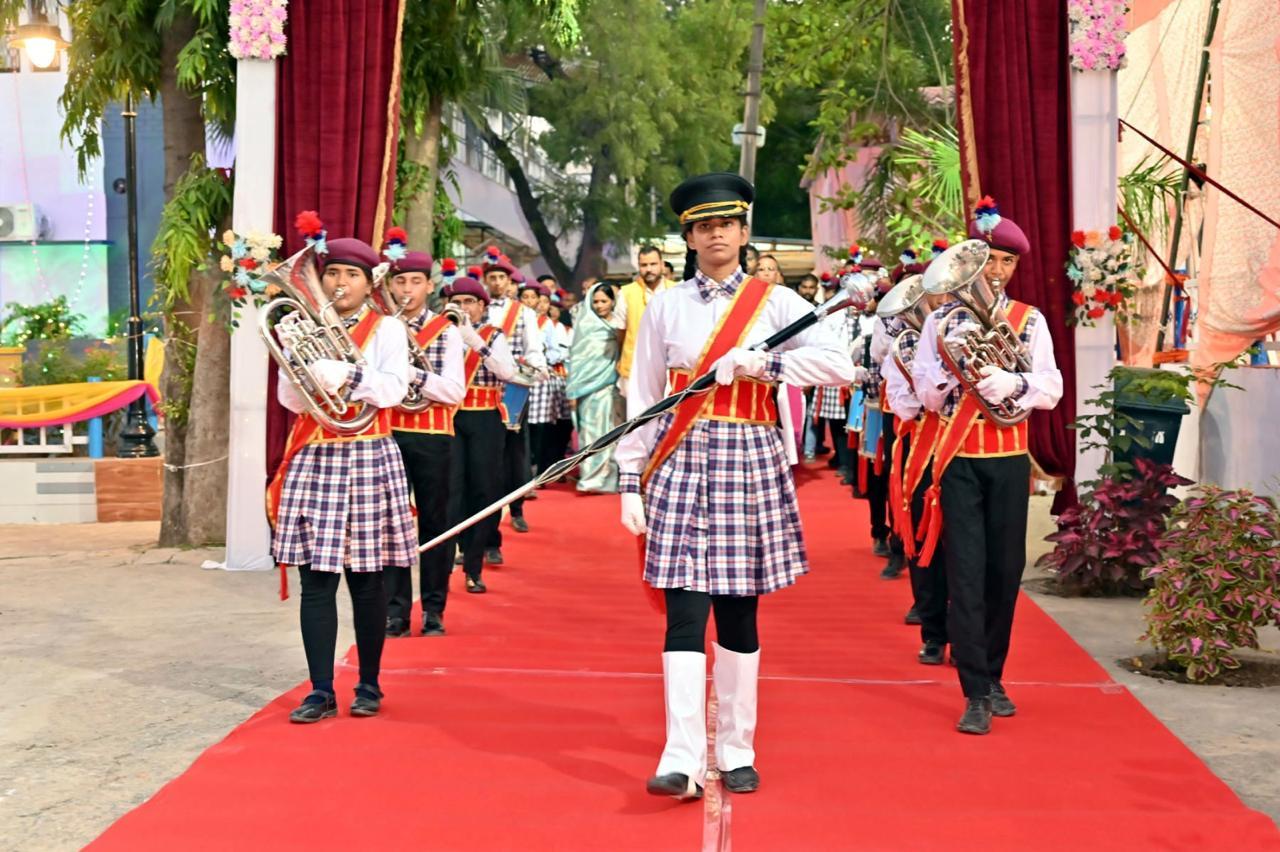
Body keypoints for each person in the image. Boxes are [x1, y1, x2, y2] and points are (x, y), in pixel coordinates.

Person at [616, 173, 855, 800]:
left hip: (749, 458)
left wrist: (765, 362)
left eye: (726, 223)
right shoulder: (665, 306)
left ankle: (737, 747)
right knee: (683, 610)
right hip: (679, 460)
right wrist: (628, 479)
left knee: (738, 611)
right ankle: (681, 757)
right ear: (689, 238)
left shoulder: (778, 303)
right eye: (703, 226)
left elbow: (841, 365)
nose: (716, 234)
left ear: (744, 232)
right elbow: (643, 396)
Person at [911, 198, 1062, 735]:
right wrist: (954, 373)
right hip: (957, 460)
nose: (996, 271)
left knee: (1005, 571)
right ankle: (975, 690)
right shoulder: (939, 322)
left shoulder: (1029, 320)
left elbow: (1051, 387)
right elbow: (925, 393)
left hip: (1008, 460)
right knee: (966, 572)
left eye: (1006, 262)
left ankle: (994, 674)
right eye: (988, 260)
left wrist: (1012, 382)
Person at [267, 223, 415, 723]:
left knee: (367, 580)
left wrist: (346, 374)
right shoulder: (300, 327)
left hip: (369, 454)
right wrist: (302, 374)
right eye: (332, 274)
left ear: (369, 283)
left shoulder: (387, 329)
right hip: (316, 454)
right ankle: (320, 689)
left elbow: (394, 389)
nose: (339, 284)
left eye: (351, 275)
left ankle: (369, 682)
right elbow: (290, 401)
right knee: (316, 580)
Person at [378, 242, 466, 639]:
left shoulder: (446, 331)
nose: (407, 290)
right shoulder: (382, 329)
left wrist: (410, 374)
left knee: (436, 523)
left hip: (433, 436)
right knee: (392, 524)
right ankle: (395, 611)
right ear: (390, 286)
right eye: (400, 282)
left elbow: (453, 390)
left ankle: (433, 608)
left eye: (415, 282)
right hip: (389, 433)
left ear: (429, 286)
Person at [445, 274, 518, 594]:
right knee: (452, 490)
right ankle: (452, 554)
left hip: (485, 419)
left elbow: (508, 372)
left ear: (481, 306)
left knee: (484, 490)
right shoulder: (441, 334)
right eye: (456, 303)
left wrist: (475, 341)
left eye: (469, 302)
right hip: (450, 418)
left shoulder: (493, 335)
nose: (462, 308)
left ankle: (474, 565)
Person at [481, 248, 546, 549]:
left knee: (515, 453)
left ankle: (517, 508)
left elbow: (534, 350)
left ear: (509, 282)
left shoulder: (524, 313)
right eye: (492, 277)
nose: (496, 282)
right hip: (483, 390)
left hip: (515, 388)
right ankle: (486, 527)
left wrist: (537, 369)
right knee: (489, 456)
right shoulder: (478, 310)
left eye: (501, 278)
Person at [565, 282, 624, 492]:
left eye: (604, 301)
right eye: (595, 301)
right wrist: (574, 389)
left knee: (613, 432)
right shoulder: (585, 326)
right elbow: (578, 360)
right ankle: (591, 478)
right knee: (590, 433)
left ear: (613, 302)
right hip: (588, 390)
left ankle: (609, 479)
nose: (599, 306)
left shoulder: (619, 326)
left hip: (612, 387)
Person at [613, 245, 677, 394]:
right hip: (635, 368)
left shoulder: (676, 290)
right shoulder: (626, 293)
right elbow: (620, 333)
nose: (649, 269)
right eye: (644, 265)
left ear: (662, 265)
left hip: (670, 367)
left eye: (653, 264)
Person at [524, 279, 572, 479]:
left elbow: (557, 351)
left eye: (534, 298)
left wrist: (543, 354)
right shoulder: (519, 319)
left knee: (541, 425)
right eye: (525, 297)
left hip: (542, 376)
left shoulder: (549, 324)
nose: (530, 302)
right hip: (521, 376)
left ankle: (540, 465)